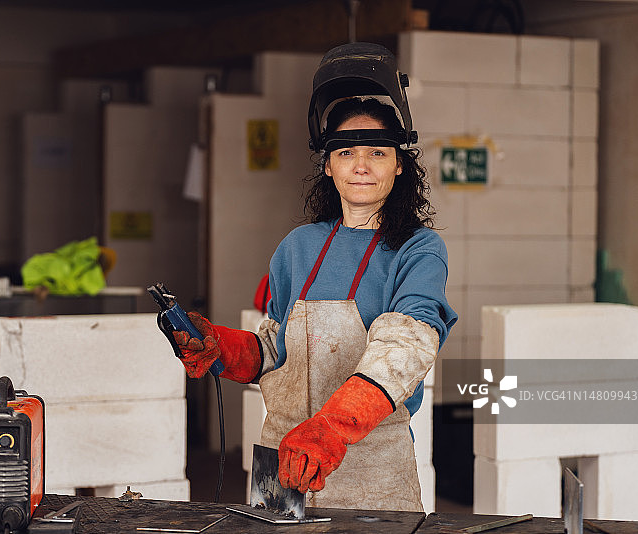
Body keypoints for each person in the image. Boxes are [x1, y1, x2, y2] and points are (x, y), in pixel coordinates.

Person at [173, 42, 457, 512]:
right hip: (279, 465)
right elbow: (275, 348)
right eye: (346, 151)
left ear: (400, 163)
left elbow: (407, 347)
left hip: (373, 470)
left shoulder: (419, 249)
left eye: (377, 152)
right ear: (328, 165)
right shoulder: (297, 247)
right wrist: (221, 347)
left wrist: (330, 430)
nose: (361, 165)